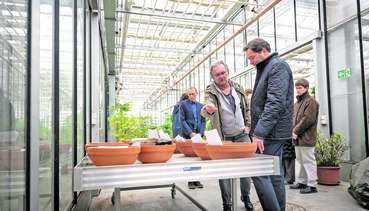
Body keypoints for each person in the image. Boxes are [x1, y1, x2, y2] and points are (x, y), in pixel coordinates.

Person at [244, 38, 294, 211]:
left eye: (251, 58)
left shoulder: (277, 66)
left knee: (259, 173)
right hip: (271, 132)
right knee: (275, 175)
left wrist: (259, 133)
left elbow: (275, 103)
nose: (250, 62)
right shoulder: (267, 67)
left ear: (263, 51)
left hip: (271, 133)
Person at [201, 61, 253, 211]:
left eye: (223, 73)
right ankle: (227, 204)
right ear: (213, 77)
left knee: (246, 169)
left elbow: (247, 109)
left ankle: (246, 197)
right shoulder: (211, 91)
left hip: (242, 135)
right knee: (224, 171)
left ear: (228, 72)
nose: (221, 76)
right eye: (217, 74)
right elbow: (206, 108)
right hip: (224, 138)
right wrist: (209, 108)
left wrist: (248, 125)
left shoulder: (238, 88)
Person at [290, 78, 319, 194]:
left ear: (306, 88)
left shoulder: (310, 101)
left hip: (306, 137)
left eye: (300, 88)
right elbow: (294, 119)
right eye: (296, 88)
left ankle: (312, 185)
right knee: (301, 161)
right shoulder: (297, 103)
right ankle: (302, 182)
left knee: (308, 161)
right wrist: (293, 132)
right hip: (298, 138)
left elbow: (308, 119)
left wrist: (295, 131)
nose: (298, 90)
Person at [179, 87, 205, 189]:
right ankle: (190, 180)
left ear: (197, 93)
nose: (191, 96)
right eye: (189, 94)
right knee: (189, 159)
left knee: (197, 158)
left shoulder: (201, 106)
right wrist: (190, 133)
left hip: (198, 134)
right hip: (188, 134)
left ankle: (197, 180)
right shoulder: (183, 105)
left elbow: (203, 120)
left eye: (193, 94)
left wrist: (201, 133)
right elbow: (182, 120)